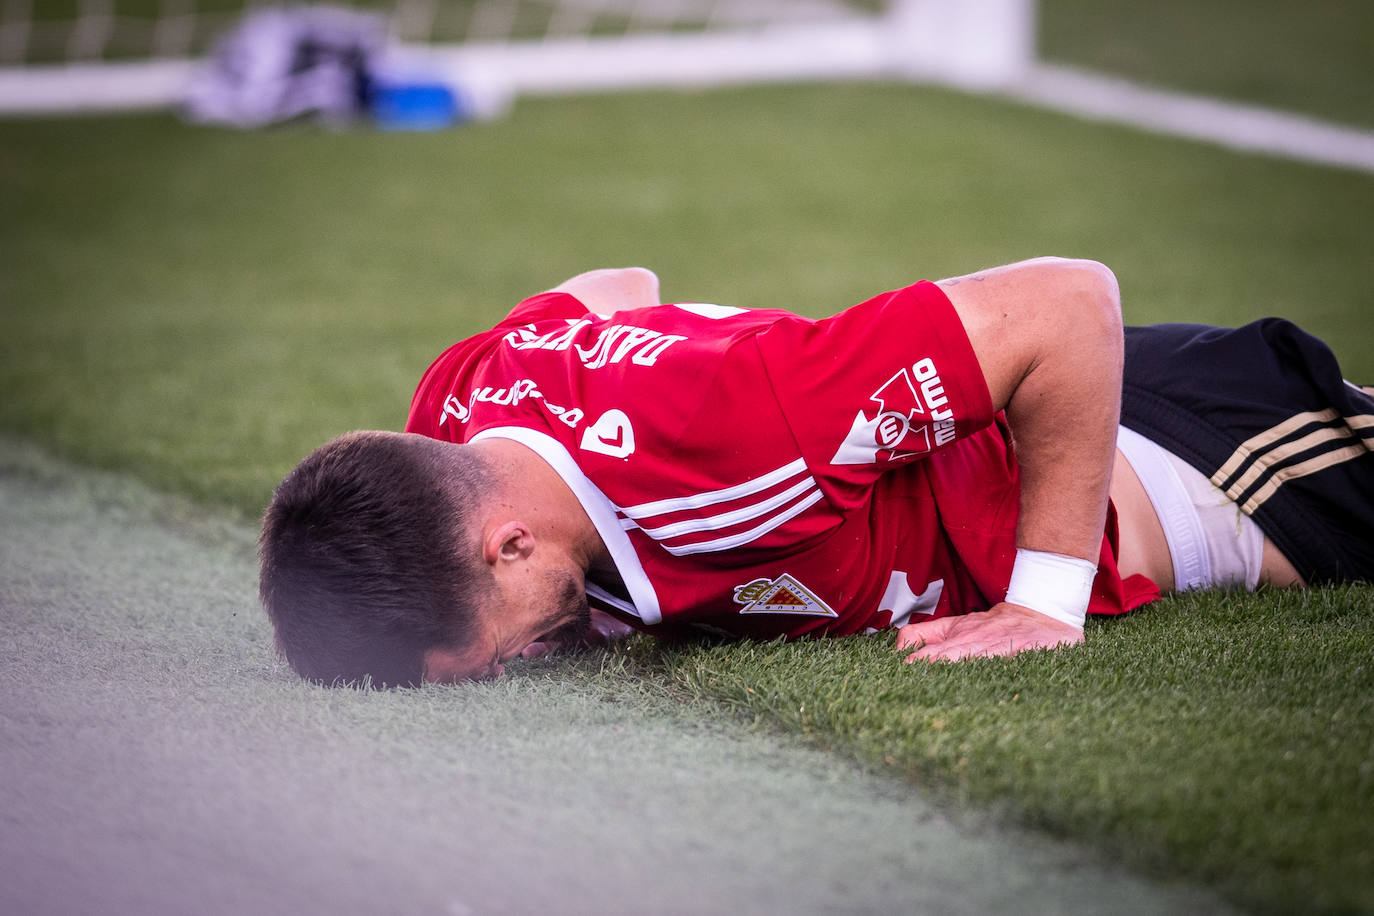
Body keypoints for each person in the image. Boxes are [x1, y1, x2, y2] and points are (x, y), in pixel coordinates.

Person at [258, 259, 1373, 687]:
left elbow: (1070, 305)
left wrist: (1042, 604)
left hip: (1192, 455)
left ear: (504, 540)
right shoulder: (453, 409)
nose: (524, 667)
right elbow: (615, 286)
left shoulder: (746, 430)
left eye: (501, 653)